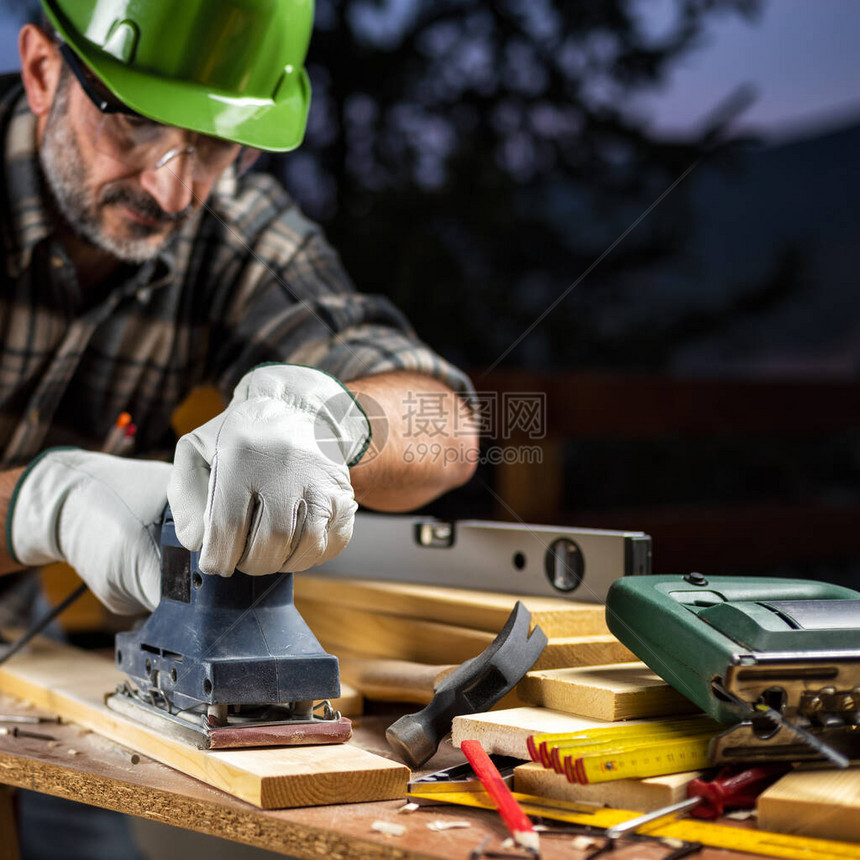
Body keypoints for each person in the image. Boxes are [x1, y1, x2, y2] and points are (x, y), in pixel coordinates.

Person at [0, 1, 477, 856]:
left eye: (217, 145)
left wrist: (334, 420)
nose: (172, 188)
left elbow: (447, 426)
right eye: (136, 125)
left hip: (24, 671)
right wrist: (40, 503)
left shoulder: (233, 226)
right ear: (42, 72)